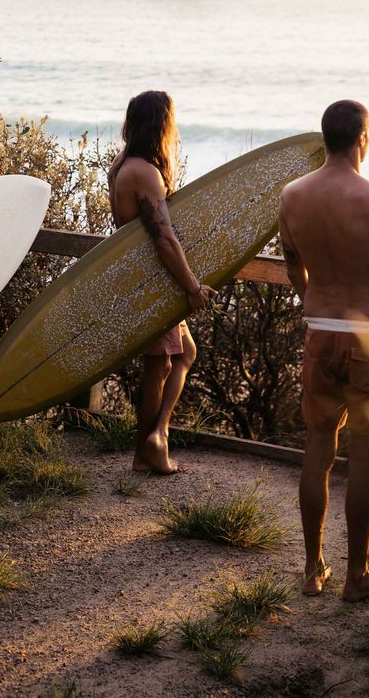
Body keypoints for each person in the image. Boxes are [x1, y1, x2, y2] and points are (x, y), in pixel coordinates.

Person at [278, 99, 369, 601]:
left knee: (316, 449)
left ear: (323, 140)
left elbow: (294, 265)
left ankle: (313, 570)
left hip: (321, 331)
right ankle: (356, 576)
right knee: (366, 456)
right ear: (363, 139)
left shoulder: (292, 196)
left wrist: (313, 301)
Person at [108, 90, 216, 475]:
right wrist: (191, 286)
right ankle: (146, 450)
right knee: (160, 364)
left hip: (144, 276)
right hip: (152, 278)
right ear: (162, 124)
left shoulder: (124, 162)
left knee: (184, 354)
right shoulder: (144, 172)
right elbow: (164, 238)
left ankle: (157, 436)